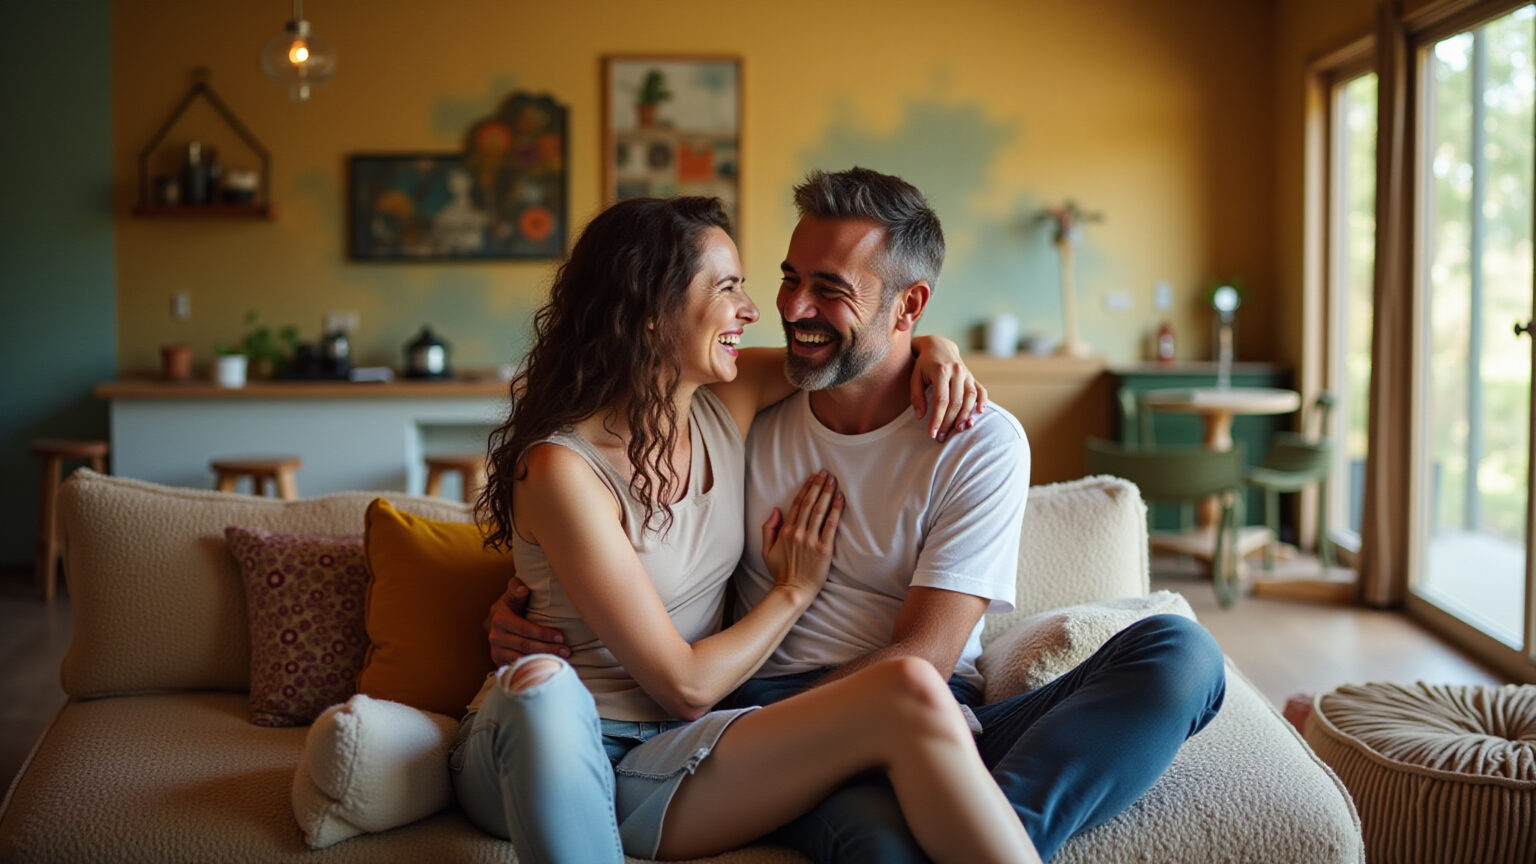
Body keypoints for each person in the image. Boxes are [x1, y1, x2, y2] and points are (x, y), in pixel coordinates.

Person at [490, 168, 1229, 863]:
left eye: (828, 288)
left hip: (927, 702)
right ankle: (948, 817)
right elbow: (593, 541)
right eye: (786, 279)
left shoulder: (975, 440)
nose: (786, 309)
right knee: (883, 843)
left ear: (908, 305)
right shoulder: (744, 400)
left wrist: (934, 351)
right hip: (765, 718)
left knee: (1182, 655)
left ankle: (977, 816)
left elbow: (926, 661)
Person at [452, 194, 1040, 864]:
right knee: (549, 696)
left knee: (910, 688)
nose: (760, 310)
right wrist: (793, 592)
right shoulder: (564, 469)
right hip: (536, 746)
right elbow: (688, 686)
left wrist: (936, 346)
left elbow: (868, 350)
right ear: (650, 312)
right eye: (728, 287)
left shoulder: (725, 399)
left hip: (667, 755)